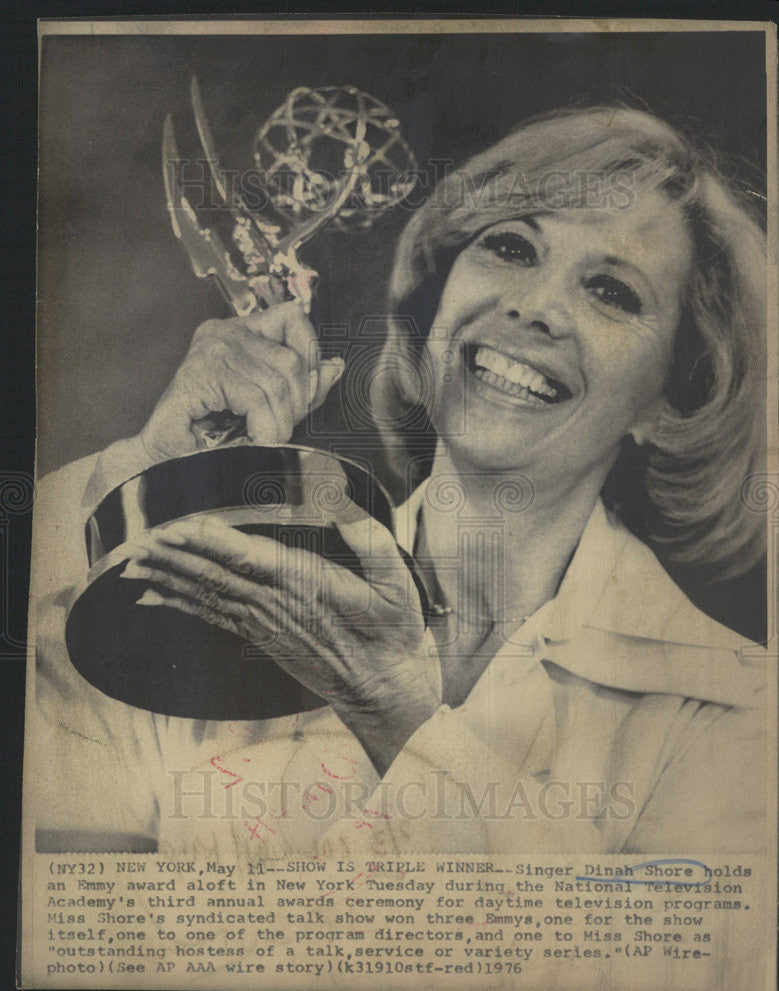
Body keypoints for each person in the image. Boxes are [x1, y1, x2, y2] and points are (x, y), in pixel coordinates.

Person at [32, 105, 767, 857]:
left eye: (612, 291)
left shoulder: (732, 710)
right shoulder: (217, 591)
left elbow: (643, 963)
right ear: (433, 306)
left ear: (671, 400)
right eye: (511, 246)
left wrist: (396, 715)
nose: (534, 306)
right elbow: (62, 895)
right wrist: (135, 480)